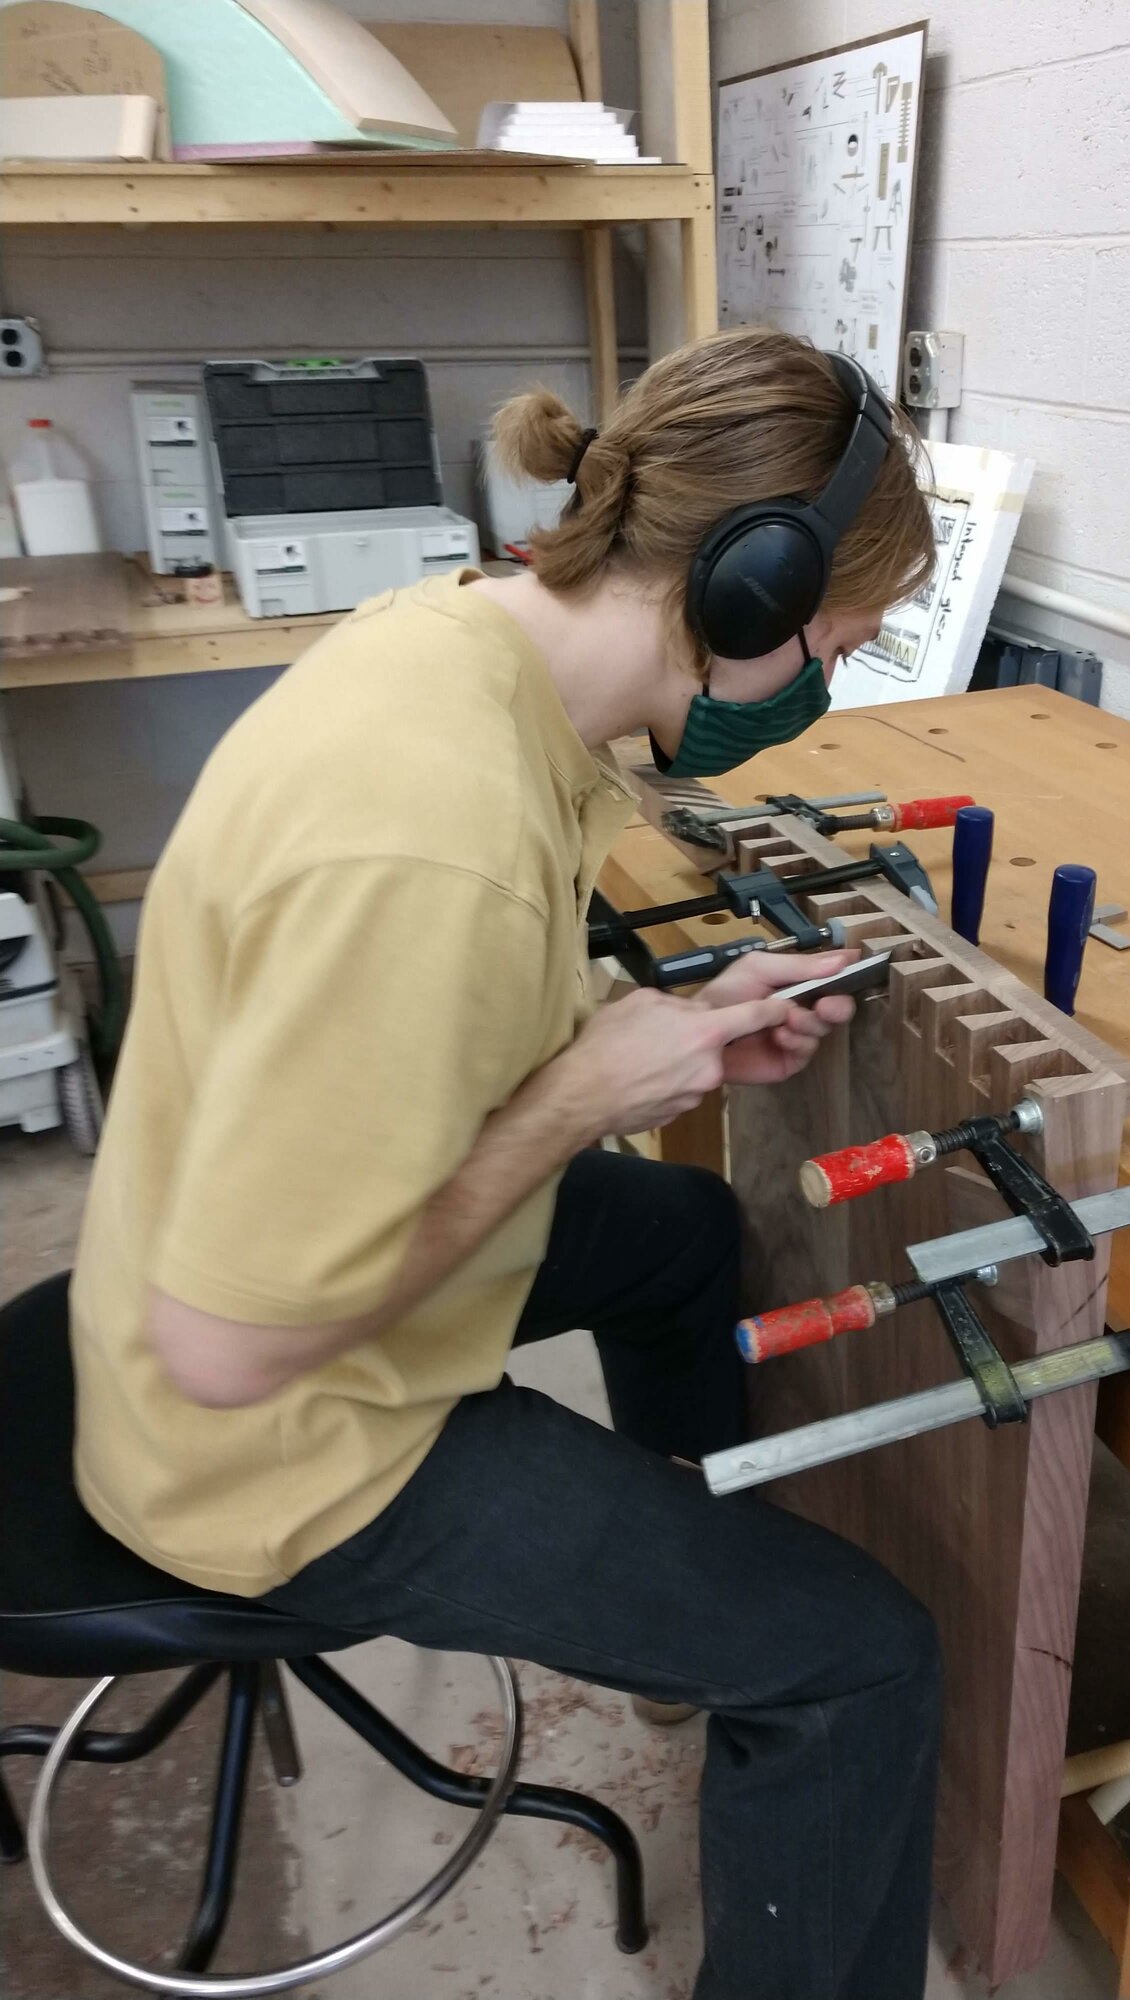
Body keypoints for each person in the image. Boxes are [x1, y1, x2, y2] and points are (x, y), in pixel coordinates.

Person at [70, 328, 940, 2000]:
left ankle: (687, 1622)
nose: (845, 665)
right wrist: (576, 1097)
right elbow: (229, 1344)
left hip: (247, 1258)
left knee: (679, 1231)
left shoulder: (463, 653)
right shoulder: (431, 827)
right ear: (750, 591)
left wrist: (647, 1025)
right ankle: (759, 1655)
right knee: (862, 1661)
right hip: (269, 1440)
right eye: (845, 632)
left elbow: (445, 1014)